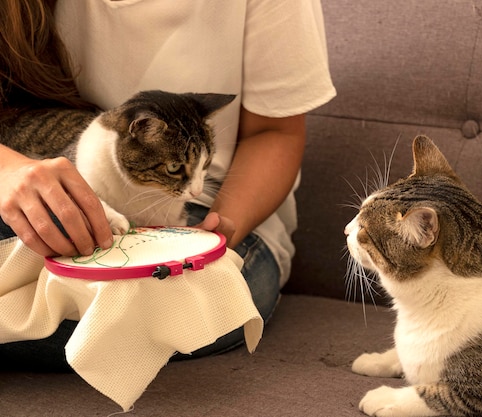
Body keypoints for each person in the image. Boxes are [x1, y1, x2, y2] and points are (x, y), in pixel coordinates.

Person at [0, 0, 336, 370]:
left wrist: (208, 238)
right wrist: (9, 169)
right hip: (52, 178)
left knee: (182, 319)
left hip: (212, 211)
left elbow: (275, 133)